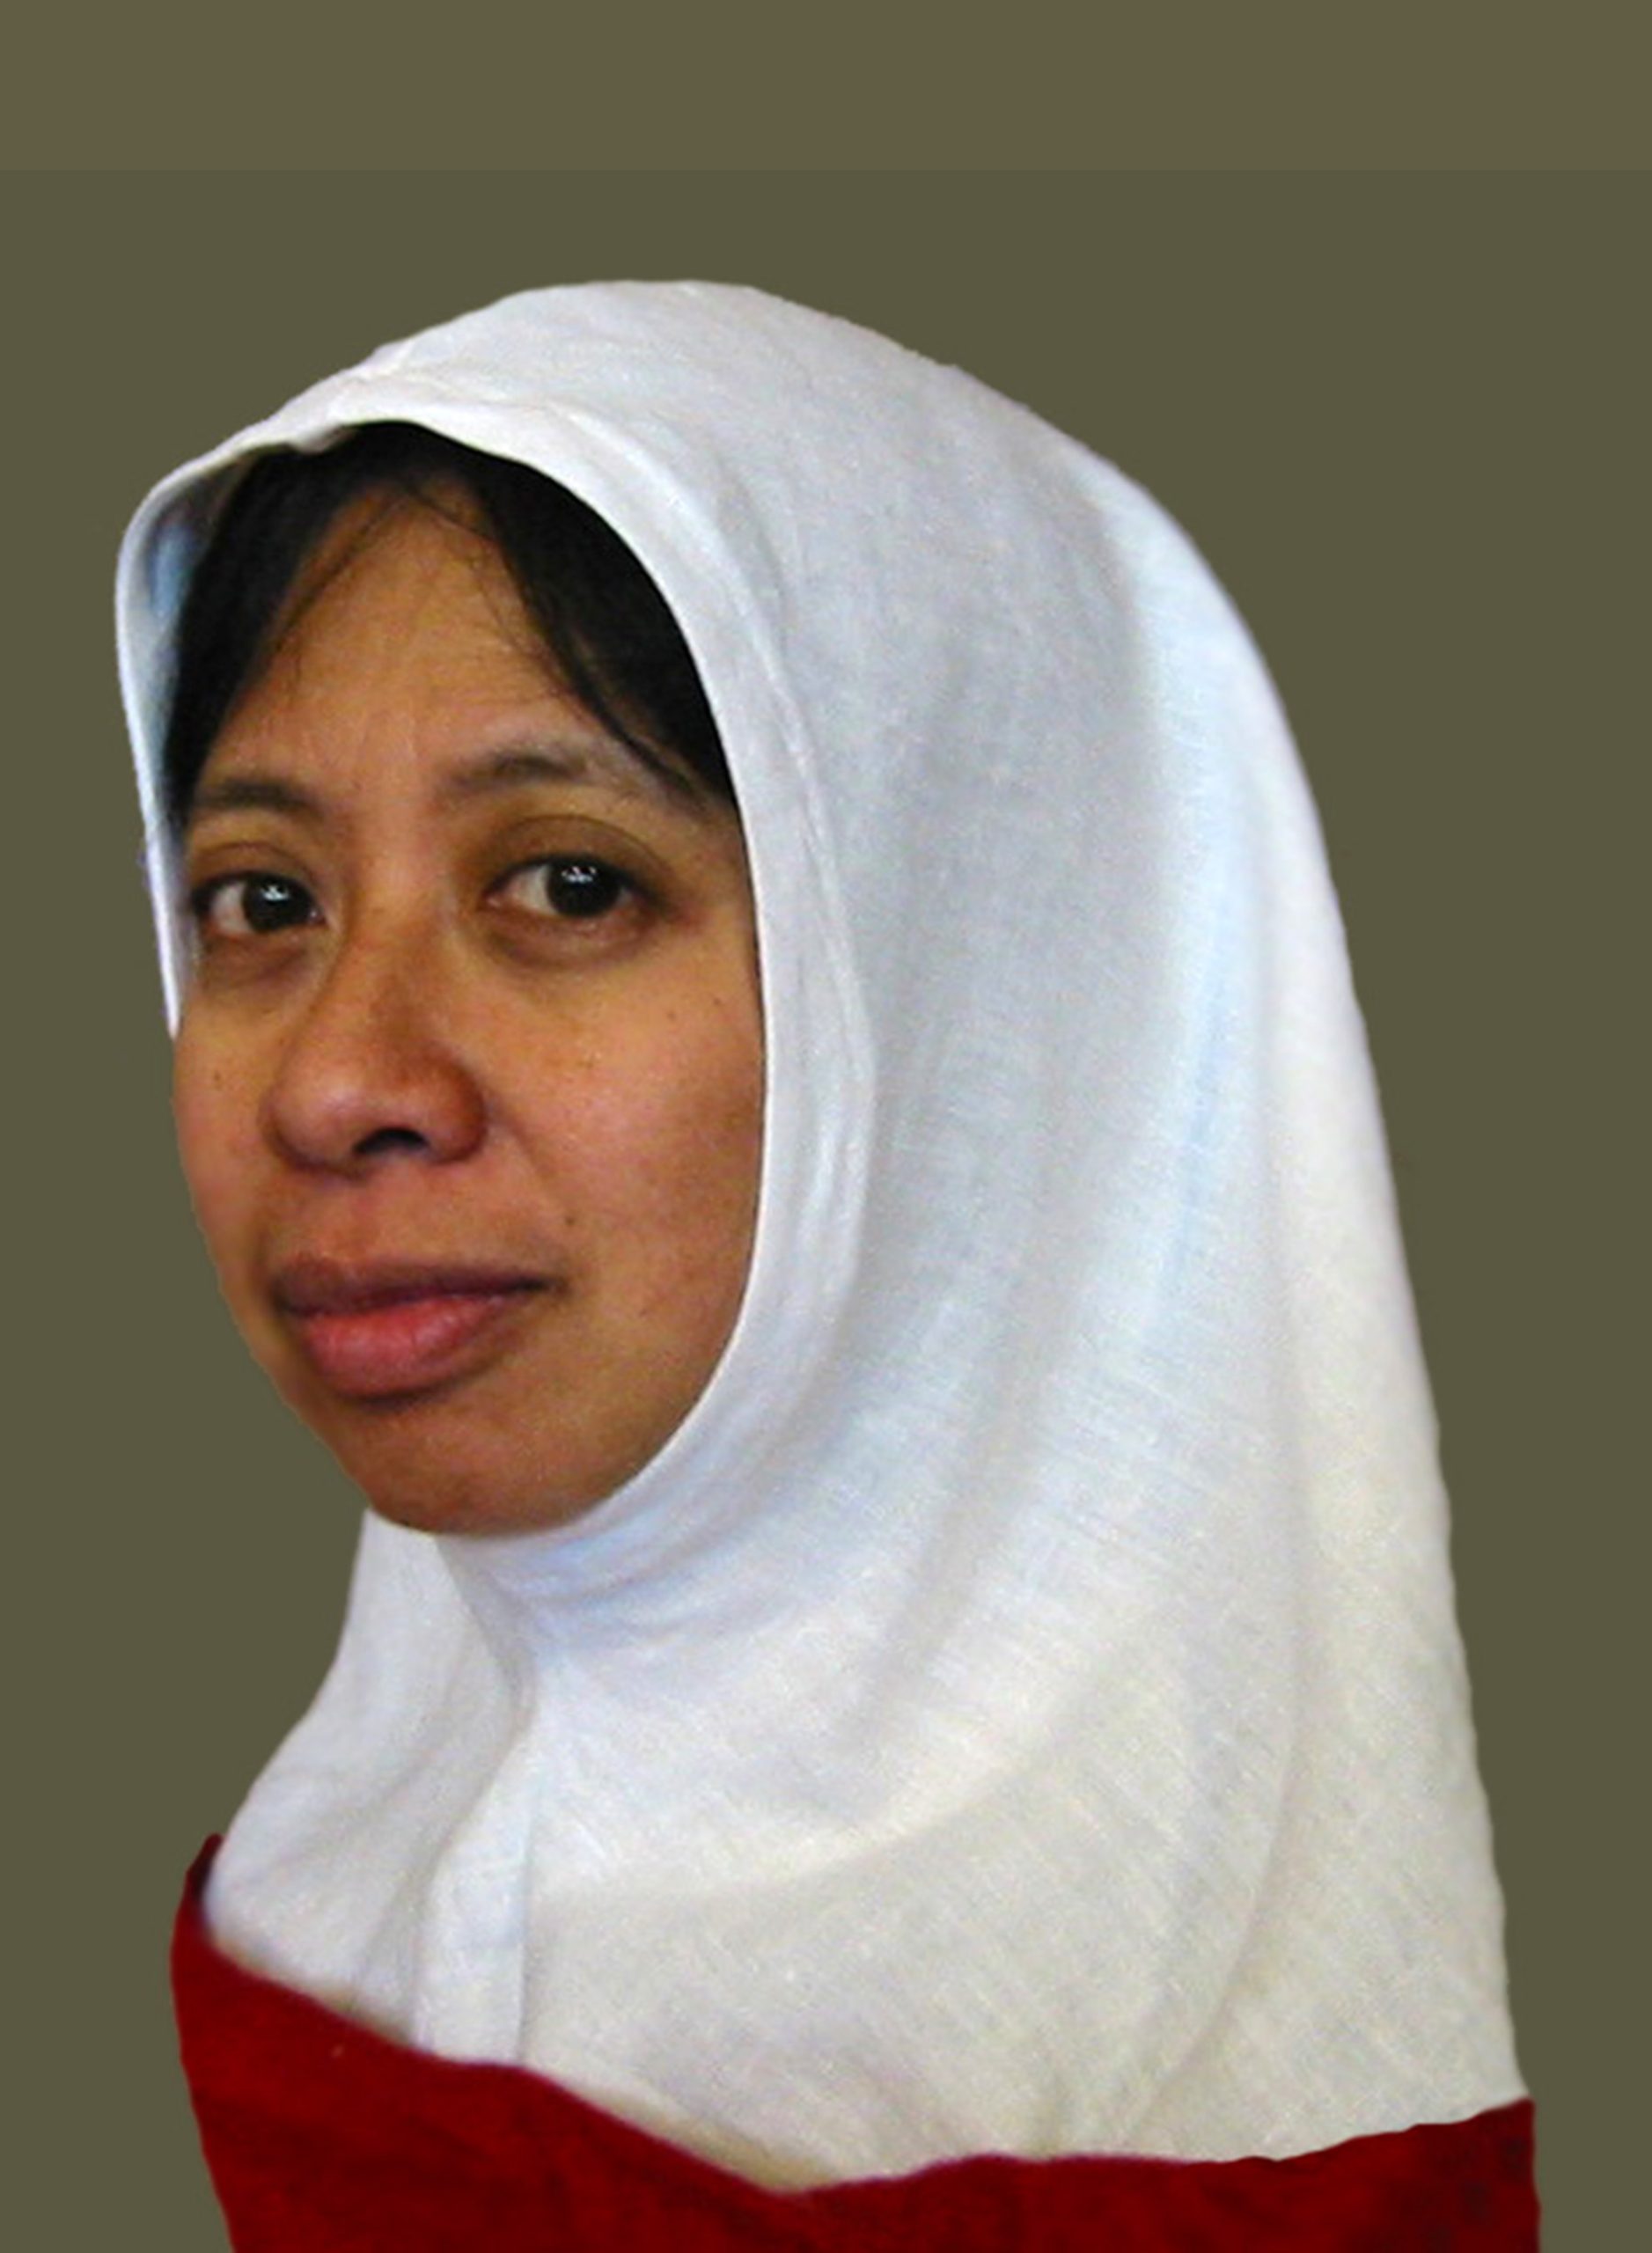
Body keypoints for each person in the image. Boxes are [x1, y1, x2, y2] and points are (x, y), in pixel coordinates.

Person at [117, 283, 1538, 2247]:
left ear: (975, 997)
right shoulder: (334, 1876)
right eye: (262, 899)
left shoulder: (1247, 2149)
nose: (338, 1080)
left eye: (569, 883)